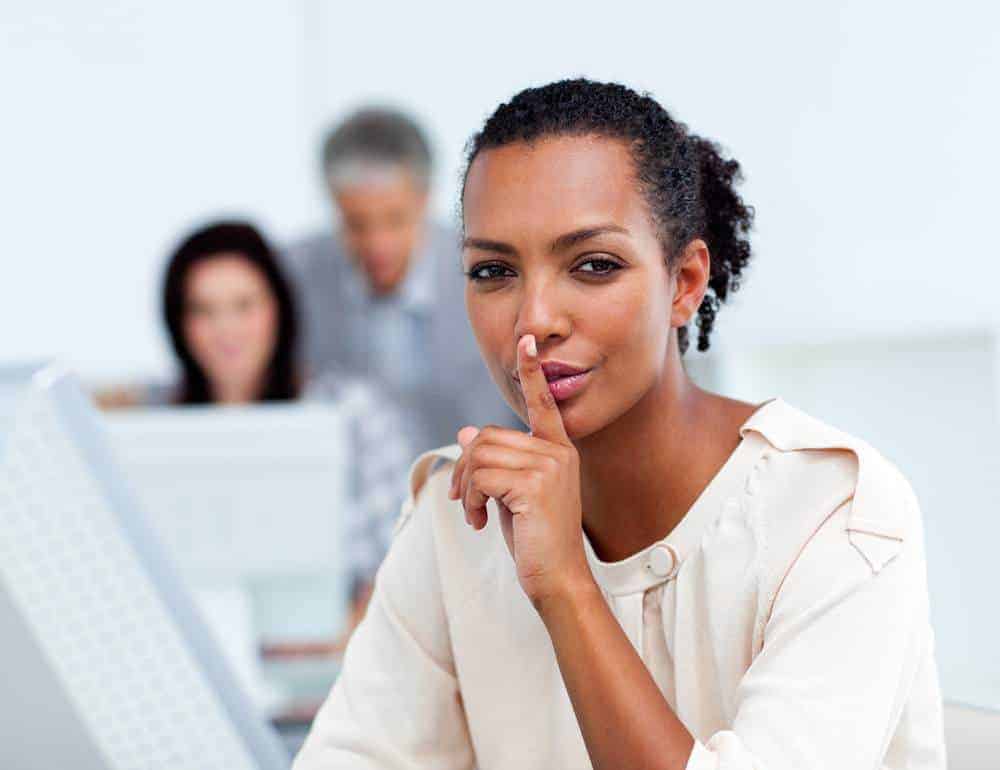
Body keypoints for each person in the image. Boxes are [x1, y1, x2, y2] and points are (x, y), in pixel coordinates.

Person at [293, 80, 946, 769]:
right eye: (493, 270)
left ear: (686, 282)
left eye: (593, 265)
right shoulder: (459, 519)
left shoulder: (833, 515)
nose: (534, 319)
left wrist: (566, 585)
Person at [98, 221, 411, 632]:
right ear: (179, 323)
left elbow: (402, 563)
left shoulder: (353, 412)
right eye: (202, 310)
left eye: (244, 305)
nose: (226, 329)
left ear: (277, 308)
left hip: (334, 663)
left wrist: (343, 650)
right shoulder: (153, 419)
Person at [283, 107, 518, 453]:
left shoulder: (491, 273)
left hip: (469, 484)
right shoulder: (292, 276)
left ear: (424, 200)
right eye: (356, 224)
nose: (377, 244)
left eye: (395, 220)